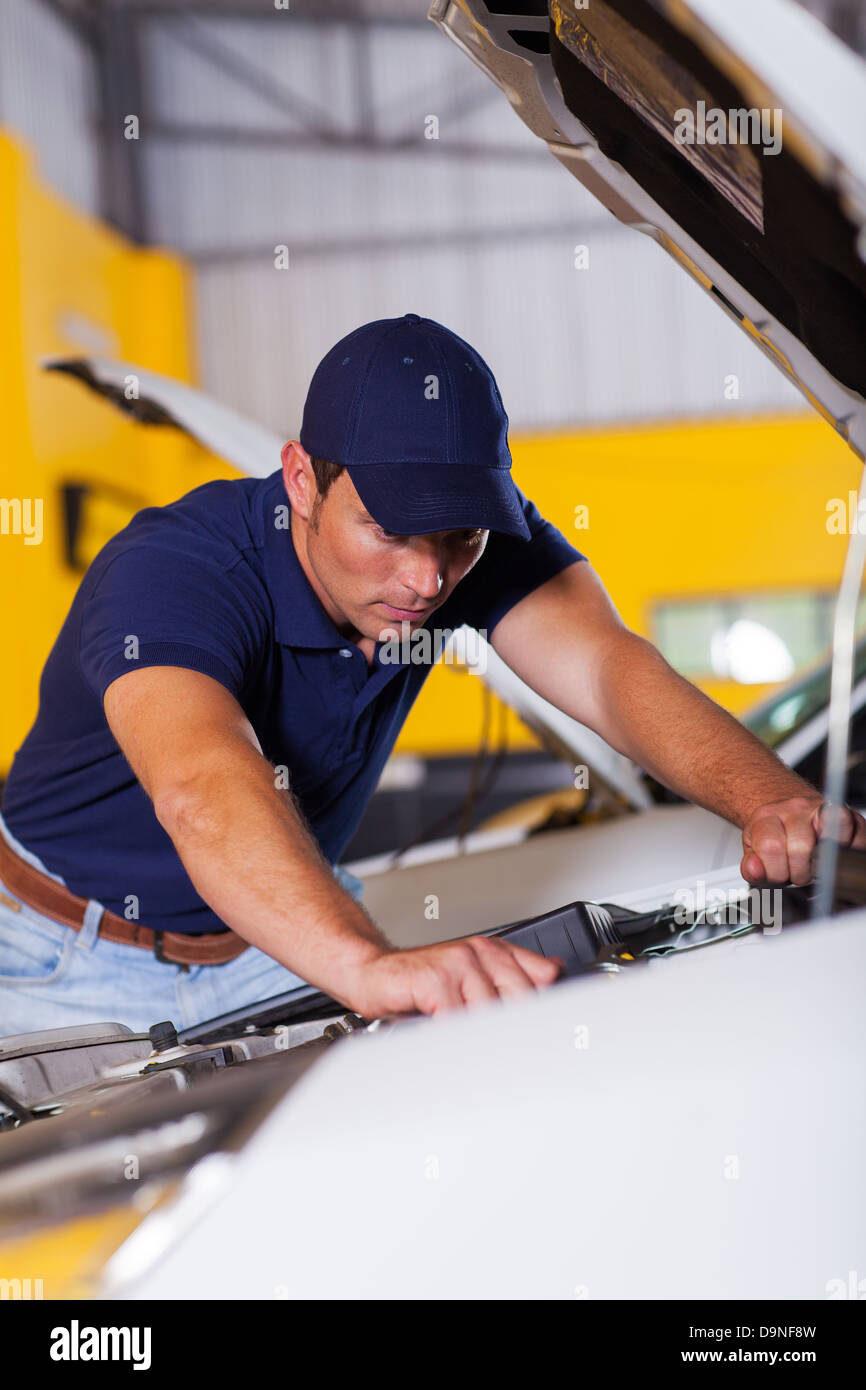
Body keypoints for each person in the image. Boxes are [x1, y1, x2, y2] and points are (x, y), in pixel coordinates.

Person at [1, 313, 862, 1036]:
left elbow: (606, 668)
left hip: (262, 942)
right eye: (388, 532)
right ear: (302, 479)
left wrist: (768, 799)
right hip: (47, 954)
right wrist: (370, 965)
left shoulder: (459, 535)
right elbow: (200, 783)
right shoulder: (176, 570)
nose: (426, 580)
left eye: (460, 540)